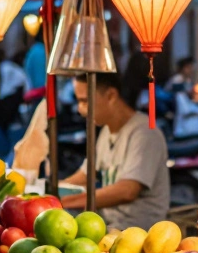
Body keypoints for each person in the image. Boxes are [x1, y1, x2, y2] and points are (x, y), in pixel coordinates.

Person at [13, 73, 169, 230]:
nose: (81, 110)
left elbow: (127, 190)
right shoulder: (107, 131)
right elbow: (86, 175)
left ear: (111, 96)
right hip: (107, 222)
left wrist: (62, 202)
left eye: (84, 101)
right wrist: (45, 192)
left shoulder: (145, 133)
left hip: (135, 231)